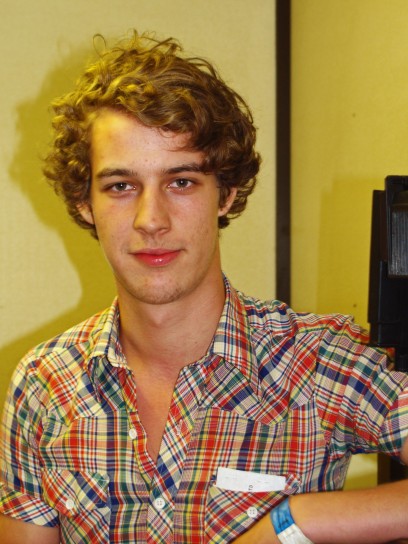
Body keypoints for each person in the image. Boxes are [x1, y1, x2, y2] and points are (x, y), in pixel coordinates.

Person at [0, 30, 407, 544]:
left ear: (226, 193)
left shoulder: (317, 364)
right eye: (121, 186)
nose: (152, 219)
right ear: (86, 204)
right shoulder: (44, 384)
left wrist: (296, 522)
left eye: (182, 182)